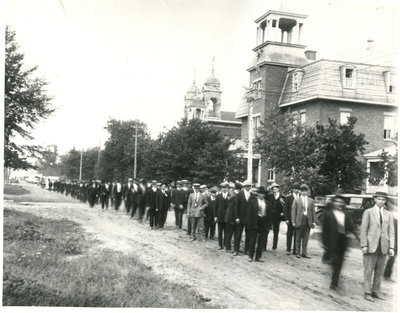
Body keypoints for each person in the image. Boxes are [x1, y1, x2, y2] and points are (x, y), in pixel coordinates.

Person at [360, 191, 395, 302]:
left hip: (383, 246)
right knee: (368, 270)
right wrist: (364, 245)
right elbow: (363, 230)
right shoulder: (368, 212)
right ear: (374, 199)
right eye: (379, 199)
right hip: (371, 246)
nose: (381, 201)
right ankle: (367, 292)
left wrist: (391, 247)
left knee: (379, 271)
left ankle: (376, 291)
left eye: (383, 199)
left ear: (385, 201)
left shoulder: (389, 214)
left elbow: (392, 232)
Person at [322, 194, 358, 292]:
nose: (339, 203)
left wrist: (359, 238)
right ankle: (334, 284)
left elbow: (351, 228)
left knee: (340, 263)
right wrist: (326, 245)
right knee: (336, 263)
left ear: (343, 204)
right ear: (333, 203)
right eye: (337, 201)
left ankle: (335, 280)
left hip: (342, 243)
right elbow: (324, 230)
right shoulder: (328, 213)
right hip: (332, 242)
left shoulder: (346, 215)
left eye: (341, 202)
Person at [291, 184, 316, 259]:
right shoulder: (296, 200)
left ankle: (304, 253)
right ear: (300, 191)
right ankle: (298, 252)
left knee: (306, 237)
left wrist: (314, 221)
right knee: (298, 238)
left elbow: (313, 212)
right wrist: (293, 221)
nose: (304, 192)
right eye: (302, 191)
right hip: (299, 220)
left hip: (308, 221)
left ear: (307, 191)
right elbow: (293, 212)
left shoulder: (311, 200)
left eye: (305, 191)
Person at [246, 186, 269, 262]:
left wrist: (268, 226)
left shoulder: (267, 203)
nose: (262, 195)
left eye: (263, 194)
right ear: (258, 194)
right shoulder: (253, 202)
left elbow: (269, 216)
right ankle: (250, 256)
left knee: (261, 241)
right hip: (255, 222)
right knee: (253, 240)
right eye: (260, 193)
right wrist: (249, 225)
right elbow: (249, 214)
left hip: (263, 223)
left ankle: (258, 256)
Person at [234, 180, 253, 256]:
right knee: (238, 234)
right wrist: (237, 217)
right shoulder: (240, 194)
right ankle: (236, 250)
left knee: (248, 235)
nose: (248, 187)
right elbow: (236, 207)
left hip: (249, 219)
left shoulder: (252, 195)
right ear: (244, 187)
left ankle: (247, 250)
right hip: (240, 218)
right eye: (247, 186)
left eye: (249, 186)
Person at [266, 182, 285, 254]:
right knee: (267, 230)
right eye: (273, 189)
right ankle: (264, 246)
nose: (275, 190)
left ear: (278, 189)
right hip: (270, 216)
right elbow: (265, 197)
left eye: (276, 189)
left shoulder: (282, 197)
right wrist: (267, 190)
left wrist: (282, 212)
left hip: (277, 216)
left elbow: (284, 207)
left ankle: (274, 246)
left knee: (276, 231)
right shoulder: (270, 196)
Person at [284, 183, 300, 255]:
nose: (296, 190)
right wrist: (286, 219)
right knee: (289, 234)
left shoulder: (300, 198)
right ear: (292, 189)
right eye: (295, 188)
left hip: (298, 219)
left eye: (297, 189)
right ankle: (288, 249)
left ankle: (295, 250)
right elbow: (286, 209)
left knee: (297, 235)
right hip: (290, 219)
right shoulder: (289, 198)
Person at [224, 182, 241, 253]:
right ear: (239, 189)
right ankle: (228, 247)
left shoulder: (234, 195)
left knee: (232, 233)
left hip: (233, 218)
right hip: (231, 218)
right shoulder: (234, 196)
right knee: (230, 233)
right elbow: (230, 209)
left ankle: (232, 248)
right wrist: (232, 218)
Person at [214, 182, 229, 250]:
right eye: (223, 188)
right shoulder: (218, 196)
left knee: (226, 231)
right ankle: (220, 245)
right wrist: (215, 216)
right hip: (220, 216)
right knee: (220, 231)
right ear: (221, 189)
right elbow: (215, 207)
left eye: (225, 187)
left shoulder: (230, 196)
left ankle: (226, 244)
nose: (224, 189)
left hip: (227, 217)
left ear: (227, 188)